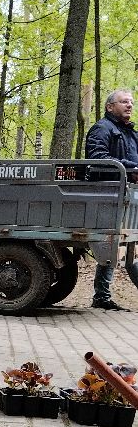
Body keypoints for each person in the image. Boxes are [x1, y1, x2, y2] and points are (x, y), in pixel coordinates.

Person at [84, 89, 138, 310]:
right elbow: (97, 158)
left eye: (131, 102)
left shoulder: (132, 133)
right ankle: (102, 297)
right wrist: (130, 168)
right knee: (119, 247)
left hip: (129, 196)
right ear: (109, 107)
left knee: (124, 246)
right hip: (107, 194)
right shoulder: (102, 129)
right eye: (124, 102)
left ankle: (101, 297)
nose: (129, 105)